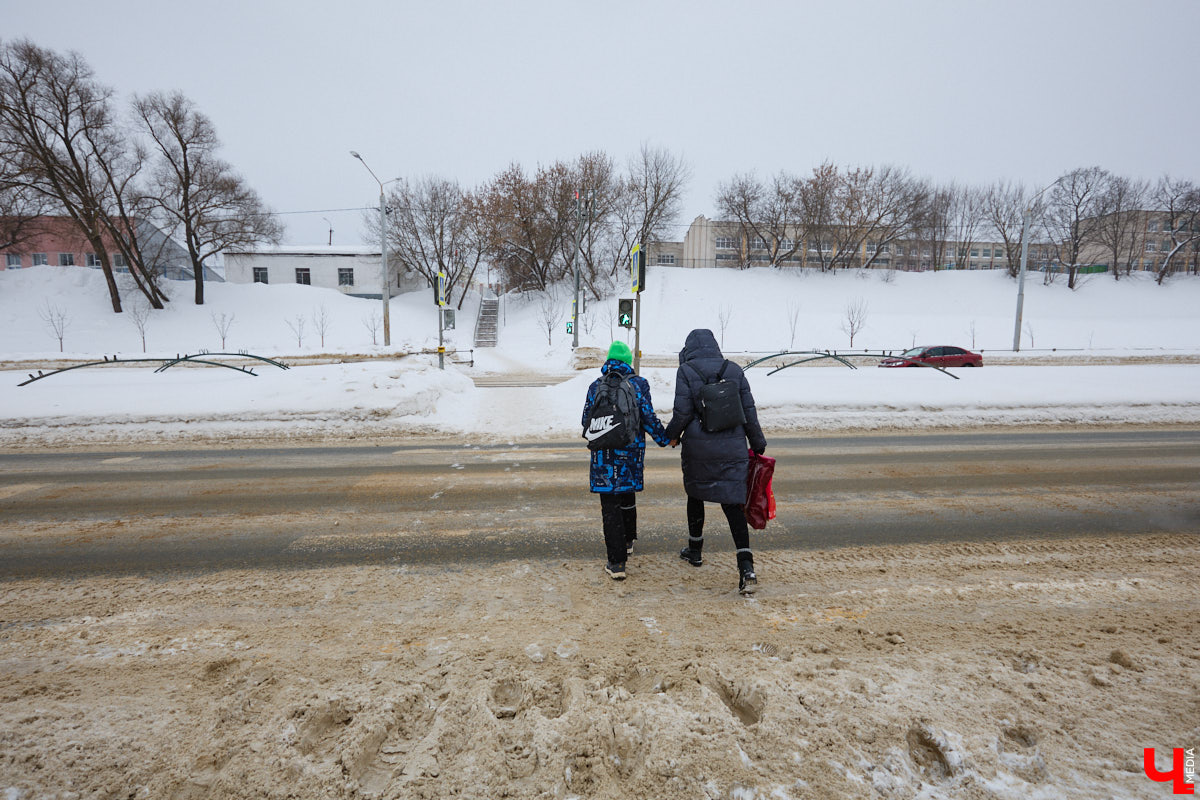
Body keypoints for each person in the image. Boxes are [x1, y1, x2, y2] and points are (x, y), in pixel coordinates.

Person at [664, 329, 767, 595]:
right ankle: (746, 567)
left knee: (695, 494)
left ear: (689, 349)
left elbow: (682, 412)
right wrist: (757, 442)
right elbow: (749, 411)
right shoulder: (733, 370)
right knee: (732, 505)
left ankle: (695, 550)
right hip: (732, 446)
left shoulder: (686, 371)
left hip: (699, 447)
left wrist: (670, 435)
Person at [581, 341, 670, 581]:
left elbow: (586, 421)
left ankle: (617, 562)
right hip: (630, 453)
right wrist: (665, 439)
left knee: (610, 506)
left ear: (608, 361)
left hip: (603, 456)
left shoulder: (595, 386)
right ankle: (628, 541)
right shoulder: (638, 384)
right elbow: (648, 418)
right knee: (627, 494)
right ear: (628, 362)